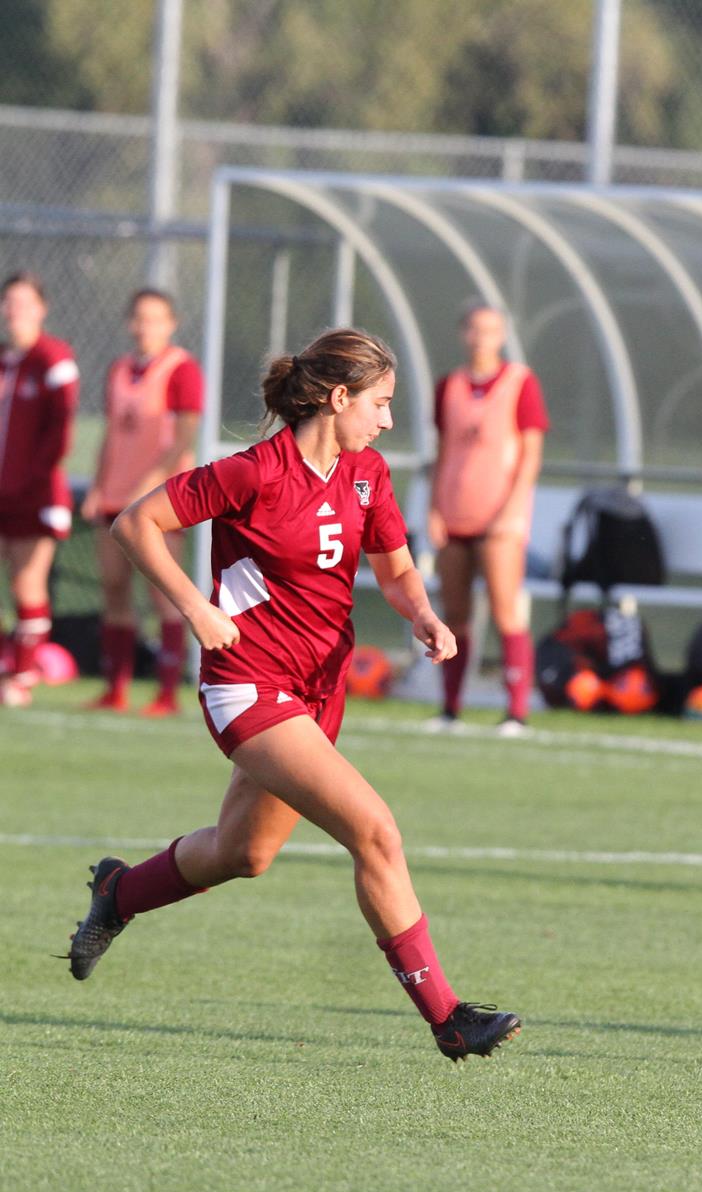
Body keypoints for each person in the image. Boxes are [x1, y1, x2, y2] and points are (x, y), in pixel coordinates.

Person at [64, 328, 520, 1062]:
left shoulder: (366, 472)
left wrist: (423, 614)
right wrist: (196, 608)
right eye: (380, 403)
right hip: (248, 685)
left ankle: (119, 893)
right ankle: (448, 1018)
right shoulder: (253, 472)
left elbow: (397, 570)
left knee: (243, 853)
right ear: (338, 398)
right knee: (376, 831)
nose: (388, 421)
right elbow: (135, 523)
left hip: (319, 691)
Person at [426, 301, 547, 735]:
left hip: (500, 518)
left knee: (505, 610)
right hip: (455, 513)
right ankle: (450, 709)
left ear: (503, 336)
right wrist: (434, 508)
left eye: (492, 330)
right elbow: (443, 452)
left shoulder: (519, 382)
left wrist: (512, 509)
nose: (482, 339)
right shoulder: (450, 386)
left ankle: (516, 711)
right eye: (475, 329)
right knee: (454, 613)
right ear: (464, 334)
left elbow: (530, 454)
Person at [82, 288, 204, 715]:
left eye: (154, 318)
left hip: (159, 501)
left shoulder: (182, 369)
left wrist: (149, 484)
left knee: (163, 592)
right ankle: (115, 689)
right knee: (114, 587)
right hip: (115, 495)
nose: (144, 326)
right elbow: (112, 433)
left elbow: (184, 437)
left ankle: (167, 693)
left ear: (171, 324)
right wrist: (98, 486)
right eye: (138, 317)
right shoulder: (119, 369)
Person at [0, 271, 79, 708]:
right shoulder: (5, 361)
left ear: (41, 309)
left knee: (27, 583)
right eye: (9, 302)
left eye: (24, 303)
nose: (16, 311)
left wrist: (32, 478)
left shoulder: (52, 358)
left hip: (35, 493)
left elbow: (61, 428)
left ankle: (22, 676)